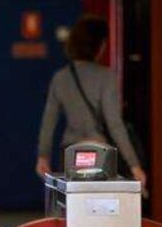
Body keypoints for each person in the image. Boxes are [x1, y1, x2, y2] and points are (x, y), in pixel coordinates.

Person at [35, 15, 147, 187]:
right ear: (98, 45)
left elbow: (48, 121)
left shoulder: (61, 78)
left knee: (72, 205)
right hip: (100, 152)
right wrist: (134, 165)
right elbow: (115, 124)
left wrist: (43, 155)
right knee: (99, 208)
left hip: (69, 152)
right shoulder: (106, 77)